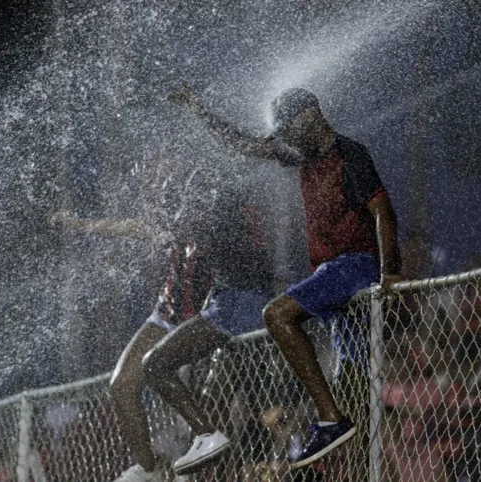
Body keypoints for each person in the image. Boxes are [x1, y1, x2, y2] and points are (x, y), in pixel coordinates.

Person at [169, 83, 402, 470]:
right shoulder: (304, 156)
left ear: (309, 118)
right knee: (354, 391)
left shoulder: (349, 155)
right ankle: (354, 451)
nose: (286, 140)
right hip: (335, 275)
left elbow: (383, 212)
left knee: (276, 315)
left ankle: (330, 419)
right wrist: (199, 108)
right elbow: (244, 145)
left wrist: (390, 273)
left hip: (354, 265)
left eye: (289, 130)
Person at [52, 179, 275, 479]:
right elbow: (127, 226)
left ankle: (217, 469)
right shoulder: (167, 223)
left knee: (212, 403)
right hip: (166, 314)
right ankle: (149, 470)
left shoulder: (217, 225)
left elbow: (243, 269)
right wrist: (79, 224)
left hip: (206, 315)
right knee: (121, 386)